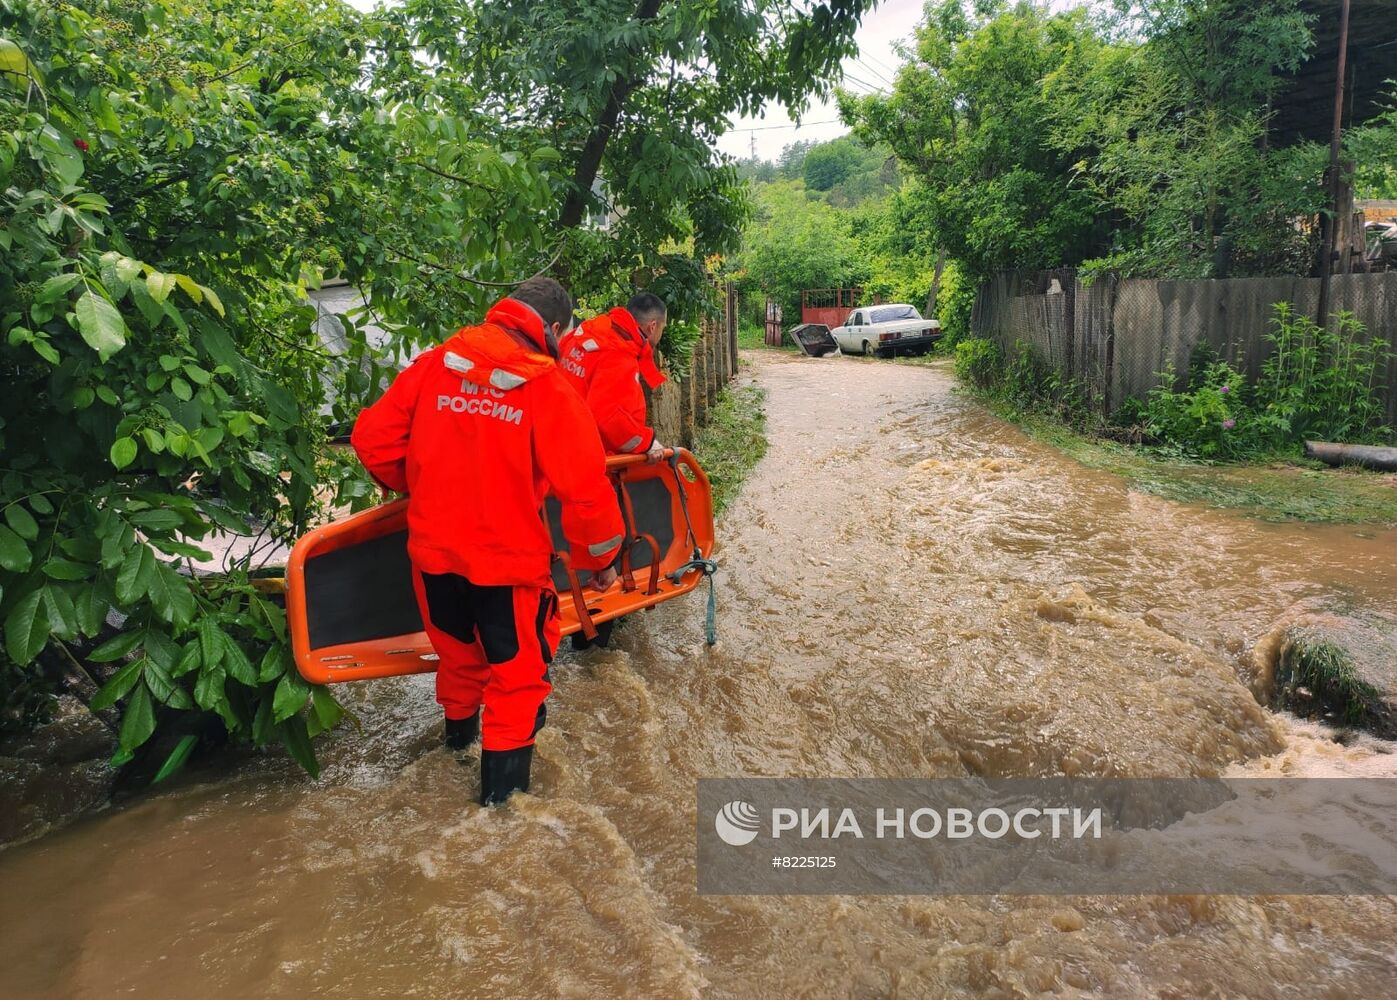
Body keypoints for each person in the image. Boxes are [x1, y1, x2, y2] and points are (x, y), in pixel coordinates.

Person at [350, 277, 624, 806]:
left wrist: (424, 485)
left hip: (433, 556)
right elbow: (585, 490)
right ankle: (501, 815)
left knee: (458, 660)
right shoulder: (546, 387)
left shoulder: (436, 364)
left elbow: (373, 440)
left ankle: (456, 749)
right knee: (517, 680)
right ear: (554, 328)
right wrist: (603, 558)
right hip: (506, 567)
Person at [558, 291, 669, 463]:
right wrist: (647, 443)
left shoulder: (586, 334)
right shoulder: (619, 355)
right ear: (653, 326)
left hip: (560, 443)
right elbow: (607, 417)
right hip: (590, 458)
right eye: (663, 327)